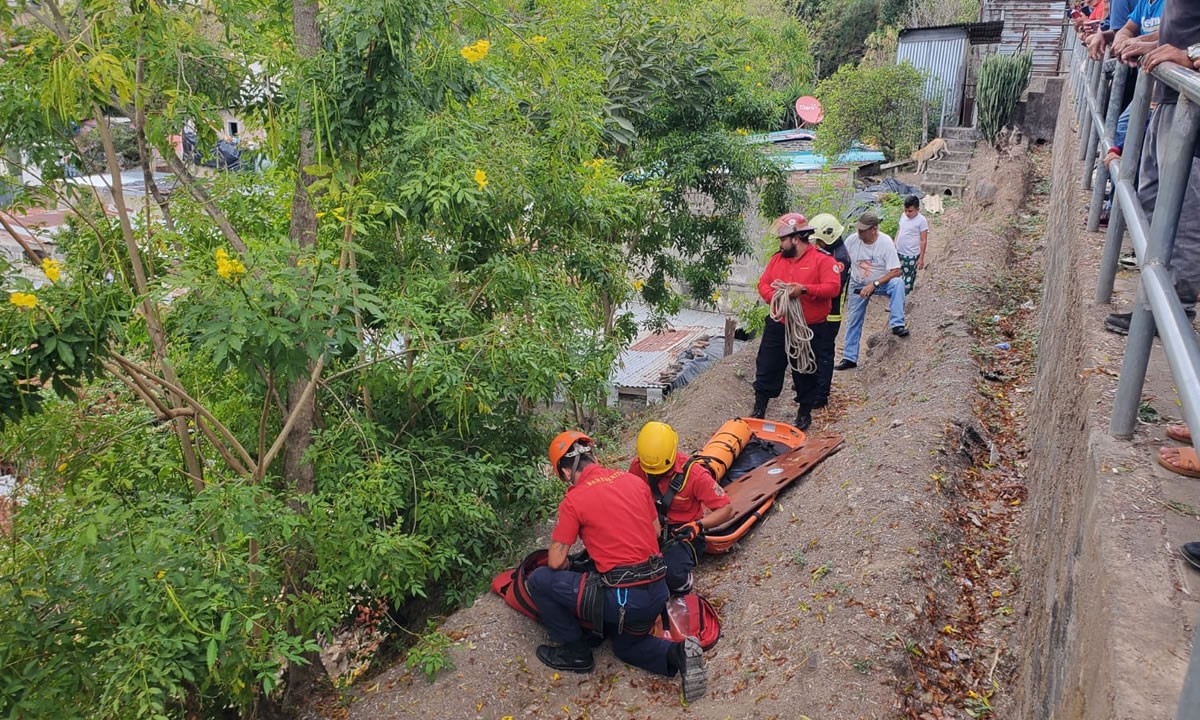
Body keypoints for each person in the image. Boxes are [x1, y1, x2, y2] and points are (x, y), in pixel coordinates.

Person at [526, 431, 707, 702]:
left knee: (540, 579)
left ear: (564, 472)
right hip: (657, 591)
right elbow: (656, 531)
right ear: (594, 457)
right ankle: (678, 654)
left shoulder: (574, 500)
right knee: (626, 647)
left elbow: (555, 561)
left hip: (623, 601)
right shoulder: (633, 482)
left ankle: (576, 653)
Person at [1102, 0, 1200, 335]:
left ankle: (1174, 311)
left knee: (1184, 217)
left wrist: (1192, 55)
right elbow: (1181, 27)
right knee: (1149, 203)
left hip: (1191, 106)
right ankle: (1154, 304)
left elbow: (1190, 41)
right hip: (1169, 99)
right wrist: (1150, 44)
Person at [750, 213, 842, 429]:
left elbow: (833, 288)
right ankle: (759, 407)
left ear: (796, 238)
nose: (780, 244)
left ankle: (804, 412)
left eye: (783, 239)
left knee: (806, 369)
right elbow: (763, 283)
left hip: (809, 327)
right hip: (779, 324)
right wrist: (775, 297)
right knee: (767, 365)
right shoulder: (776, 260)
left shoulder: (822, 260)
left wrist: (805, 290)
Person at [627, 422, 734, 595]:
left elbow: (726, 509)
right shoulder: (639, 466)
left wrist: (698, 525)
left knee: (672, 576)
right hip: (650, 525)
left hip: (683, 531)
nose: (654, 474)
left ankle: (683, 581)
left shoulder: (695, 475)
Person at [835, 211, 908, 371]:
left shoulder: (885, 243)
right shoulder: (852, 241)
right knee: (854, 318)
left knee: (898, 284)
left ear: (874, 229)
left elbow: (896, 271)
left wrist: (874, 284)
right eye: (859, 229)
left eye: (863, 230)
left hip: (882, 282)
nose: (859, 233)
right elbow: (842, 260)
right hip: (858, 282)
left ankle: (897, 323)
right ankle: (849, 357)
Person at [809, 213, 851, 410]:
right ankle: (811, 386)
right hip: (820, 312)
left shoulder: (840, 258)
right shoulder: (832, 253)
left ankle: (821, 393)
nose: (815, 245)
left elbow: (832, 287)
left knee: (824, 353)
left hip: (831, 313)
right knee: (812, 350)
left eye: (818, 241)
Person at [894, 196, 929, 294]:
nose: (907, 213)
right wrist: (894, 244)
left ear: (917, 209)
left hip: (911, 255)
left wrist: (921, 258)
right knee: (897, 275)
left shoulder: (922, 221)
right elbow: (899, 230)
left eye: (910, 211)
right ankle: (896, 296)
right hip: (899, 252)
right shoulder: (903, 216)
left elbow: (923, 240)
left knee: (908, 278)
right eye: (905, 210)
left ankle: (901, 300)